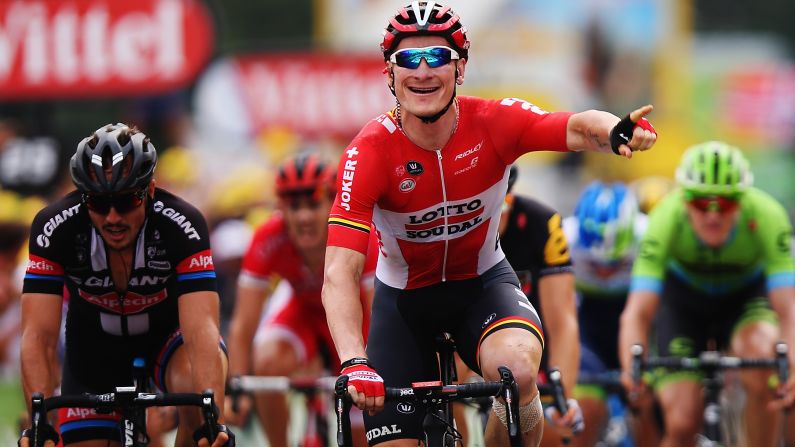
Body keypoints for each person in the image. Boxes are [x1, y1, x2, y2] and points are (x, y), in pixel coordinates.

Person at [320, 2, 657, 446]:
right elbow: (339, 273)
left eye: (437, 58)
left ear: (459, 68)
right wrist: (353, 361)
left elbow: (575, 127)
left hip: (481, 286)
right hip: (402, 306)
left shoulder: (494, 122)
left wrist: (614, 130)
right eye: (408, 59)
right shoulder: (368, 154)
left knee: (517, 374)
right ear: (390, 73)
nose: (423, 72)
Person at [19, 123, 232, 447]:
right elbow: (38, 337)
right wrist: (40, 423)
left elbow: (201, 330)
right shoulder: (54, 227)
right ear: (83, 197)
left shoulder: (183, 225)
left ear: (149, 190)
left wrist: (212, 417)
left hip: (169, 339)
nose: (113, 217)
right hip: (93, 349)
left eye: (126, 201)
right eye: (100, 204)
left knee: (196, 402)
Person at [618, 141, 795, 447]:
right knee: (683, 421)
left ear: (742, 201)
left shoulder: (768, 214)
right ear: (684, 201)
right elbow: (638, 311)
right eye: (701, 203)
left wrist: (791, 365)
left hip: (745, 300)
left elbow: (789, 308)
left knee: (764, 361)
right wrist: (632, 370)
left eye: (725, 204)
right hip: (685, 306)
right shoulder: (665, 217)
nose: (713, 215)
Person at [225, 152, 378, 447]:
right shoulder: (268, 236)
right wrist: (238, 387)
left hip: (357, 321)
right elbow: (244, 324)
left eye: (313, 204)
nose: (304, 216)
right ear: (281, 208)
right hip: (304, 314)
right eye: (294, 207)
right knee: (267, 360)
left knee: (361, 434)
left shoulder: (359, 233)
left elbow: (377, 311)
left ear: (332, 203)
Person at [563, 181, 659, 447]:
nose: (604, 272)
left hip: (640, 320)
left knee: (647, 403)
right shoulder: (563, 236)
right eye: (594, 264)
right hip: (587, 324)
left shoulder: (650, 234)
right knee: (583, 407)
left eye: (616, 262)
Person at [498, 166, 583, 446]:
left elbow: (562, 322)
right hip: (468, 339)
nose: (496, 216)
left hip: (531, 341)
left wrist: (563, 397)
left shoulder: (543, 222)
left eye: (504, 203)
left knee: (555, 431)